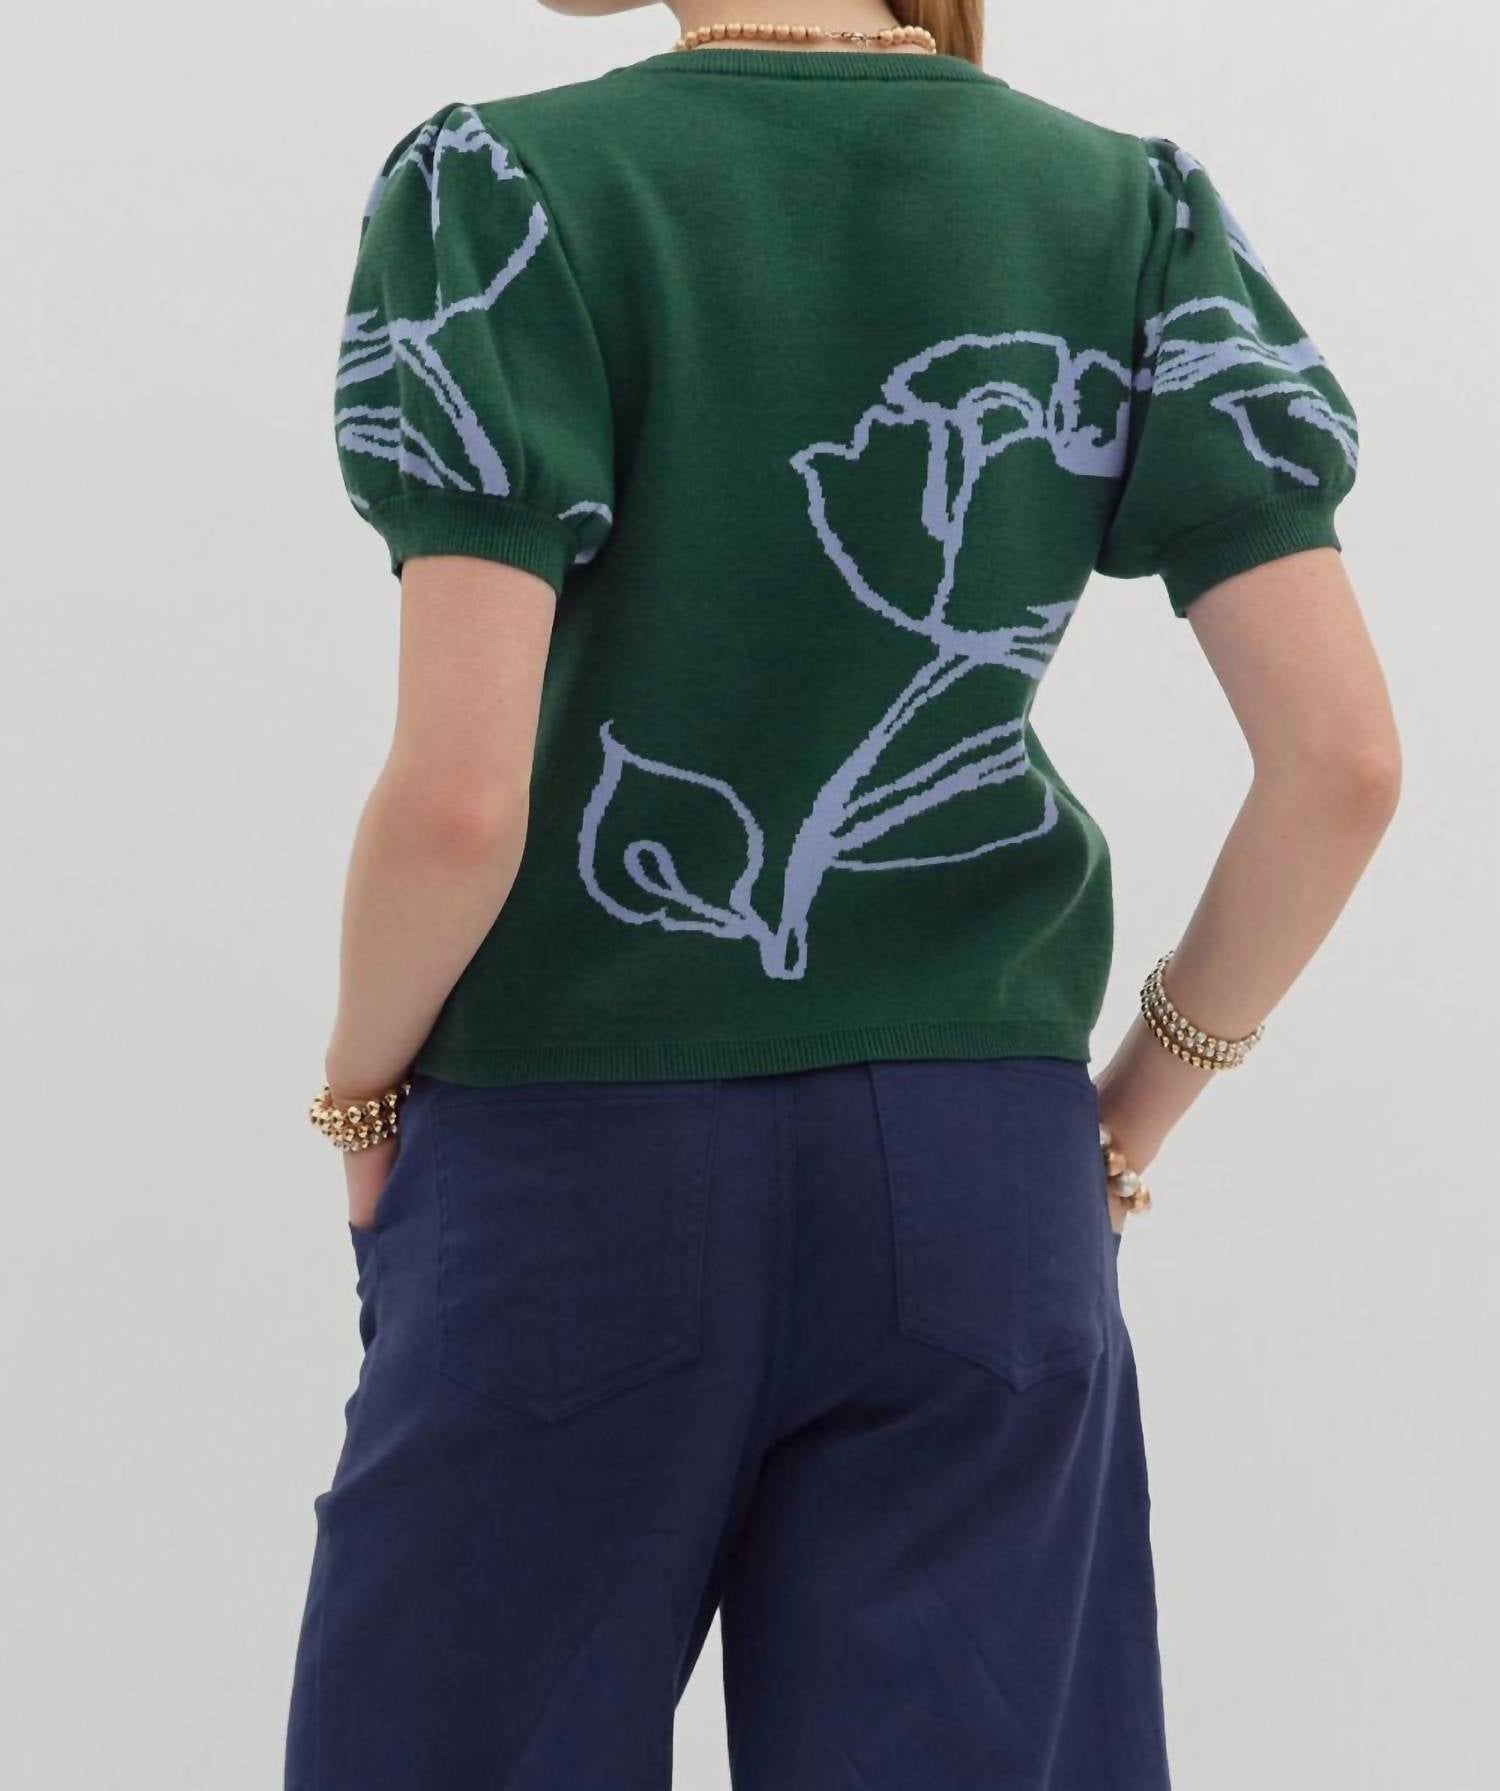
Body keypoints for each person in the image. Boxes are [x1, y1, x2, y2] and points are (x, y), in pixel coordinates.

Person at [284, 4, 1401, 1786]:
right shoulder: (1123, 209)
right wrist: (1131, 1117)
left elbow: (458, 806)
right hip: (980, 1178)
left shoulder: (505, 189)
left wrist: (359, 1095)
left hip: (572, 1161)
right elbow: (1341, 762)